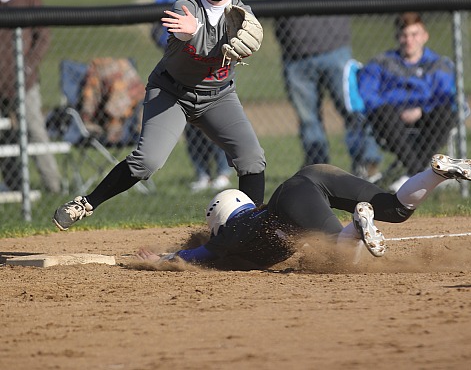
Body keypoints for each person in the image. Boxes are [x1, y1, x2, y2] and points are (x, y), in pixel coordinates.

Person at [53, 0, 266, 230]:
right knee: (147, 162)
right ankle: (86, 203)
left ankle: (251, 228)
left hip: (218, 97)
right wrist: (192, 31)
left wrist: (252, 41)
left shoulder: (241, 14)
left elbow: (249, 37)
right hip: (171, 93)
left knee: (251, 157)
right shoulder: (184, 6)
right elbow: (188, 39)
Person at [135, 153, 471, 269]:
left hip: (293, 196)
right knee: (396, 209)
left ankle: (356, 224)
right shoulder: (253, 218)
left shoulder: (229, 236)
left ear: (219, 220)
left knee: (342, 257)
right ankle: (437, 174)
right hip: (314, 175)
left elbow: (195, 256)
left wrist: (164, 259)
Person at [262, 0, 382, 179]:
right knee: (309, 121)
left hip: (335, 53)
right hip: (295, 58)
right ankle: (319, 172)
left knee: (353, 111)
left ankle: (367, 165)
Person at [151, 0, 233, 192]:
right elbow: (156, 28)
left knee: (215, 121)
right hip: (179, 65)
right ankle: (201, 173)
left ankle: (221, 172)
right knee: (188, 125)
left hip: (208, 68)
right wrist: (174, 43)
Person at [358, 12, 457, 192]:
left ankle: (410, 174)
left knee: (446, 112)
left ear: (425, 36)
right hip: (391, 118)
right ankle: (419, 174)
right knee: (382, 113)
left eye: (414, 34)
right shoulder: (382, 63)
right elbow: (367, 93)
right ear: (397, 37)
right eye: (404, 35)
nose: (409, 40)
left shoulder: (438, 64)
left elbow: (446, 96)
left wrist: (422, 110)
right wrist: (395, 110)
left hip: (427, 116)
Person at [0, 0, 61, 193]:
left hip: (24, 82)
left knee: (35, 132)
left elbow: (43, 37)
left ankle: (53, 187)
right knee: (5, 138)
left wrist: (27, 67)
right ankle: (14, 187)